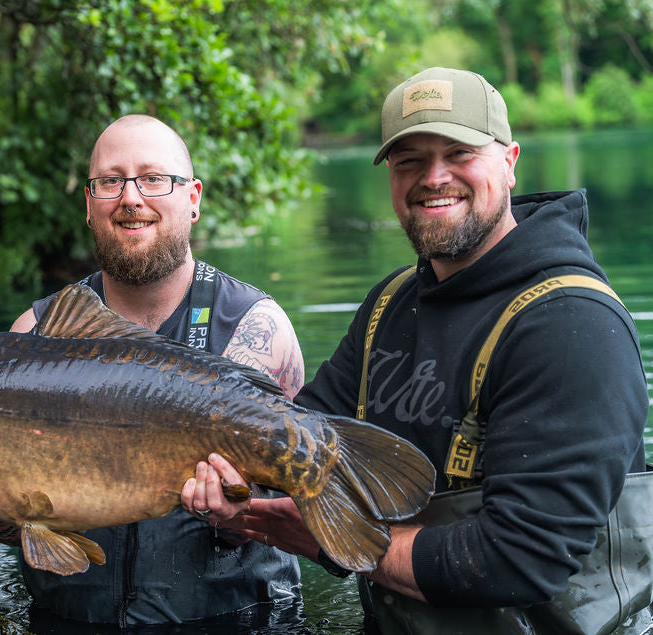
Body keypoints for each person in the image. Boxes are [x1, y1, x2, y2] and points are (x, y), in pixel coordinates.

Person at [181, 67, 650, 632]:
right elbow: (292, 434)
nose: (433, 177)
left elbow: (522, 560)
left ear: (509, 161)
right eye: (409, 161)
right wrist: (229, 488)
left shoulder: (573, 324)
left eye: (459, 153)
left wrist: (333, 539)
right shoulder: (390, 303)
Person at [0, 113, 305, 628]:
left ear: (192, 199)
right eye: (110, 181)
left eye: (153, 178)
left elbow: (294, 511)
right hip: (68, 622)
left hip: (236, 620)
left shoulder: (254, 329)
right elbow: (20, 526)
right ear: (89, 204)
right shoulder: (35, 333)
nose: (131, 197)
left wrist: (240, 513)